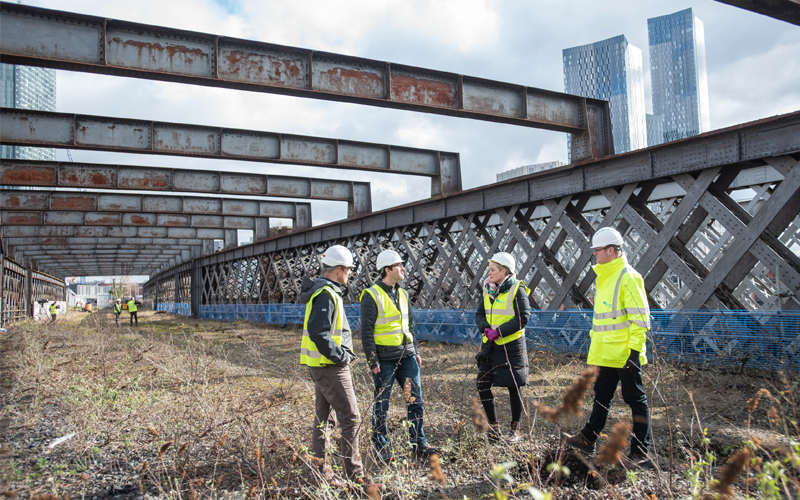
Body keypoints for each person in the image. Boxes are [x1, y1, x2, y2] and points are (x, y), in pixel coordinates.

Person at [563, 227, 652, 470]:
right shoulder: (606, 277)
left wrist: (634, 352)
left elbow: (640, 319)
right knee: (601, 397)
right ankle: (589, 438)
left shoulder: (627, 276)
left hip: (624, 354)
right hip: (606, 354)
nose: (595, 255)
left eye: (598, 250)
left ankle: (640, 453)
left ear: (610, 250)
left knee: (635, 400)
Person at [299, 245, 384, 496]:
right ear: (338, 269)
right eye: (347, 270)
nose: (349, 274)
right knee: (351, 418)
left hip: (321, 365)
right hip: (330, 367)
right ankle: (356, 478)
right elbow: (319, 332)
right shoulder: (326, 293)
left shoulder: (323, 291)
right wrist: (341, 357)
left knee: (325, 419)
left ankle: (320, 473)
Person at [361, 249, 439, 463]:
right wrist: (372, 360)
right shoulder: (371, 295)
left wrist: (415, 351)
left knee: (414, 400)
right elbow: (366, 332)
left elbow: (409, 326)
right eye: (399, 266)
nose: (404, 269)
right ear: (388, 270)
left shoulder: (403, 294)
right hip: (384, 361)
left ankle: (418, 443)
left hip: (406, 358)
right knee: (382, 404)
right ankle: (381, 446)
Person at [475, 252, 531, 444]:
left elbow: (523, 317)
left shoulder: (517, 290)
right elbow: (479, 314)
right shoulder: (487, 290)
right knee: (482, 383)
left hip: (511, 345)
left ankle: (515, 429)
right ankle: (494, 426)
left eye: (492, 270)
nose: (489, 273)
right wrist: (486, 329)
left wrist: (499, 331)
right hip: (489, 344)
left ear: (504, 271)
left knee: (514, 386)